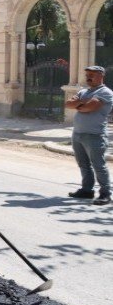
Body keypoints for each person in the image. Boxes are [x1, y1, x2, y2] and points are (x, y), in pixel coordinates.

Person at [65, 66, 113, 205]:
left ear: (101, 76)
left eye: (92, 74)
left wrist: (78, 103)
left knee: (99, 165)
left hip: (95, 135)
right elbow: (68, 104)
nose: (88, 77)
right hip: (78, 134)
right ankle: (87, 190)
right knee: (83, 164)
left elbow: (89, 108)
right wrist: (82, 102)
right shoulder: (84, 91)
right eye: (87, 74)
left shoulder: (105, 92)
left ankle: (105, 193)